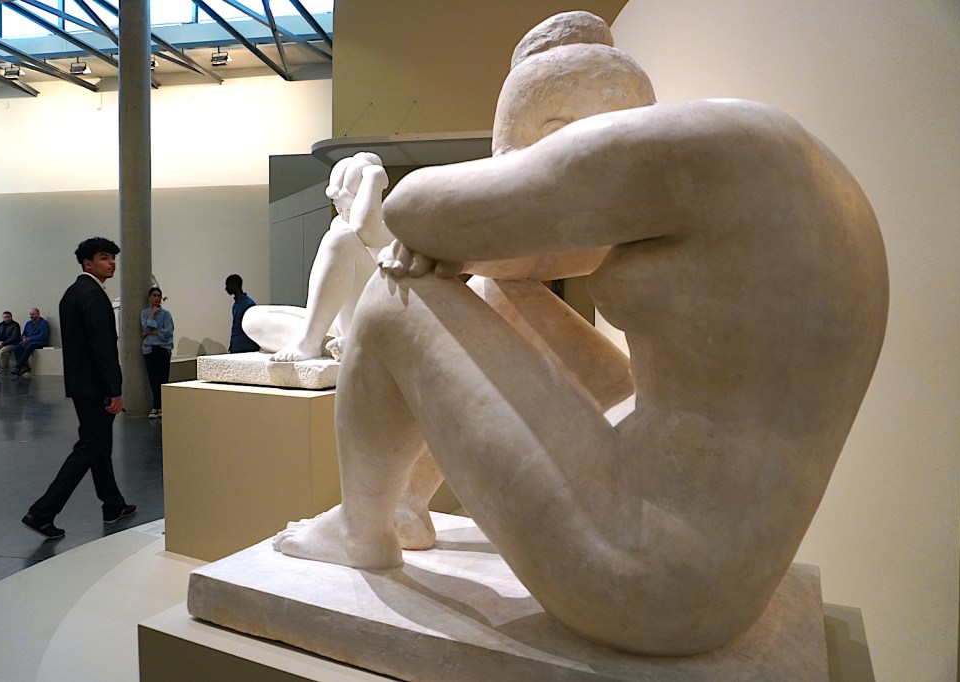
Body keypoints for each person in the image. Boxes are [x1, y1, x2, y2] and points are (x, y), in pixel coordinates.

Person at [275, 12, 888, 657]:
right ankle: (407, 504)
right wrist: (465, 252)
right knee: (500, 293)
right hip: (717, 571)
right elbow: (519, 271)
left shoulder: (681, 148)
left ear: (561, 134)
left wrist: (433, 239)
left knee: (392, 294)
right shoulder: (786, 164)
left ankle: (362, 530)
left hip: (642, 576)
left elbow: (415, 209)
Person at [22, 236, 136, 539]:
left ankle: (113, 504)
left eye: (113, 257)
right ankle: (42, 512)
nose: (112, 263)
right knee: (89, 446)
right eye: (104, 257)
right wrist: (114, 388)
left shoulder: (72, 293)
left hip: (82, 384)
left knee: (99, 445)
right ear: (88, 263)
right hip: (96, 386)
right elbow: (102, 346)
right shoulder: (93, 295)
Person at [242, 152, 394, 362]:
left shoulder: (389, 226)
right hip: (343, 326)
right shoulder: (340, 225)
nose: (343, 213)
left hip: (377, 323)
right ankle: (338, 345)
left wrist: (374, 176)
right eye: (338, 207)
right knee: (253, 319)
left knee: (340, 237)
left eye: (349, 206)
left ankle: (310, 341)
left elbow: (365, 228)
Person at [140, 286, 174, 419]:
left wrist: (151, 332)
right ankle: (157, 406)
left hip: (163, 348)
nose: (157, 298)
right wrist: (152, 315)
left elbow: (168, 332)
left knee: (162, 378)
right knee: (152, 378)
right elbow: (145, 327)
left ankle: (159, 406)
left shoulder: (166, 314)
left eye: (159, 295)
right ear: (149, 298)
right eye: (154, 295)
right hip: (149, 349)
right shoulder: (144, 313)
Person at [10, 308, 51, 375]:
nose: (31, 316)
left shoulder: (44, 323)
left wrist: (30, 339)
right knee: (17, 348)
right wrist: (23, 338)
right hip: (28, 341)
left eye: (33, 314)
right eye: (30, 314)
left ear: (38, 314)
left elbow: (43, 335)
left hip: (39, 342)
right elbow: (24, 333)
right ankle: (25, 366)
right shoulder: (28, 323)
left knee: (29, 346)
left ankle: (18, 366)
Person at [225, 274, 258, 353]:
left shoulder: (248, 304)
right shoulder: (237, 304)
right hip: (237, 345)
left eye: (227, 285)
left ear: (234, 285)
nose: (226, 288)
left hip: (246, 346)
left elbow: (253, 326)